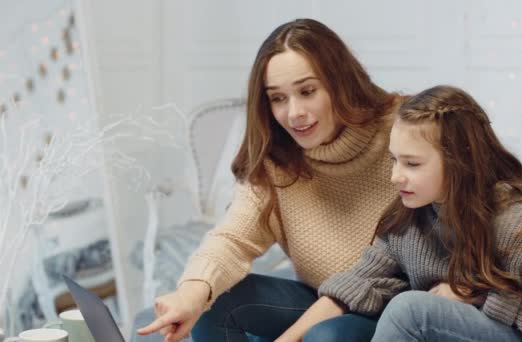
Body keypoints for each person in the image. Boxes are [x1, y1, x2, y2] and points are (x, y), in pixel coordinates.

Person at [137, 18, 403, 342]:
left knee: (328, 336)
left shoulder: (403, 131)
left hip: (393, 311)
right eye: (278, 98)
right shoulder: (277, 160)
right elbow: (232, 238)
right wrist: (191, 294)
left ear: (340, 82)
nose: (294, 113)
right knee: (215, 303)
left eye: (307, 91)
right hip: (320, 300)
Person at [282, 85, 522, 341]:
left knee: (411, 310)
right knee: (329, 334)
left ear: (459, 163)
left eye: (412, 163)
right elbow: (358, 284)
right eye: (394, 160)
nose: (396, 176)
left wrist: (476, 295)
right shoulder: (411, 217)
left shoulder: (518, 221)